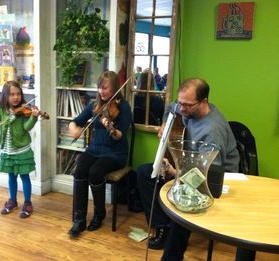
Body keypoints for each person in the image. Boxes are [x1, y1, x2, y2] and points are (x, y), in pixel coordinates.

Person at [137, 78, 254, 260]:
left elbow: (203, 177)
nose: (182, 109)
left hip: (218, 179)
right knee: (145, 173)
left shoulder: (211, 131)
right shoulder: (187, 107)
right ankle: (162, 227)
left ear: (204, 102)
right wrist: (163, 125)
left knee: (182, 211)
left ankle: (171, 253)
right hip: (192, 164)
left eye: (187, 105)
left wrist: (173, 172)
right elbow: (170, 108)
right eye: (181, 103)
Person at [67, 71, 132, 238]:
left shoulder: (123, 107)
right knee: (80, 169)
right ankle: (79, 218)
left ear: (115, 89)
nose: (102, 92)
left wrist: (112, 129)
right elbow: (76, 121)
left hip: (115, 153)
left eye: (106, 88)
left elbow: (120, 135)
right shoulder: (95, 105)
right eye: (100, 88)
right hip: (94, 149)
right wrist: (73, 129)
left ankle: (99, 214)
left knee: (95, 172)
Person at [0, 81, 41, 218]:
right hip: (8, 150)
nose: (16, 97)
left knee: (24, 176)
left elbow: (26, 127)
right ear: (5, 96)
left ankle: (28, 202)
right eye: (12, 94)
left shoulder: (24, 110)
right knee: (11, 176)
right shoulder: (1, 110)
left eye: (18, 94)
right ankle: (13, 200)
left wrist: (34, 117)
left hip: (21, 150)